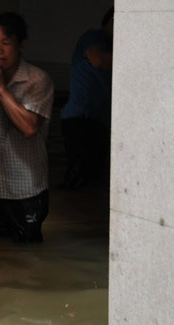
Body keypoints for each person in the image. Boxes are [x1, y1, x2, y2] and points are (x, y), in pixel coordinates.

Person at [0, 12, 54, 243]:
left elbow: (29, 128)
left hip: (26, 189)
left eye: (6, 43)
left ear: (21, 46)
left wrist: (1, 89)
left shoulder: (37, 80)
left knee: (29, 254)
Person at [60, 7, 114, 189]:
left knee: (94, 176)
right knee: (80, 179)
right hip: (80, 118)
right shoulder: (94, 37)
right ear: (110, 22)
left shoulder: (113, 45)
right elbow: (98, 60)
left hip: (98, 119)